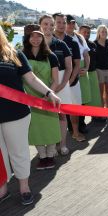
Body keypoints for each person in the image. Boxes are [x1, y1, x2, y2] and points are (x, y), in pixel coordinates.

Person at [0, 25, 60, 205]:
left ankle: (24, 187)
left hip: (16, 114)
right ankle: (2, 188)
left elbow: (31, 78)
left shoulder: (14, 54)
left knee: (18, 152)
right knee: (0, 155)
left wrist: (50, 93)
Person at [23, 24, 61, 170]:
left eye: (39, 35)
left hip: (49, 97)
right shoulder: (22, 56)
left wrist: (49, 95)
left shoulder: (51, 56)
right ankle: (42, 156)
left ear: (43, 37)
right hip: (30, 99)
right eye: (32, 35)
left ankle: (50, 155)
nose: (36, 39)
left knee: (50, 126)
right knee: (36, 128)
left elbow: (56, 80)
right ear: (27, 38)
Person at [39, 14, 73, 153]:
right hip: (40, 83)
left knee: (61, 115)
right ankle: (47, 146)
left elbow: (69, 67)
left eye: (51, 24)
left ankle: (62, 145)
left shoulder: (61, 44)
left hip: (61, 84)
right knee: (44, 116)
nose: (49, 27)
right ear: (40, 25)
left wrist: (63, 84)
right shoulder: (34, 43)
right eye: (45, 24)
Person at [53, 13, 86, 142]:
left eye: (64, 23)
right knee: (56, 111)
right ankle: (57, 139)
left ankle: (75, 133)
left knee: (75, 109)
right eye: (59, 22)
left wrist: (70, 80)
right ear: (54, 23)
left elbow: (77, 64)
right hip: (54, 83)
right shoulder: (48, 40)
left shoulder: (72, 41)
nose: (61, 25)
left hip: (72, 81)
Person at [66, 15, 91, 133]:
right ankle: (71, 127)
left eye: (72, 23)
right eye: (68, 23)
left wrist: (86, 67)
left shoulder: (80, 37)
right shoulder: (62, 38)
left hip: (82, 70)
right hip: (69, 69)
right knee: (70, 100)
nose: (71, 25)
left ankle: (82, 123)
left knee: (83, 99)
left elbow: (86, 54)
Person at [79, 25, 102, 122]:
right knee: (83, 98)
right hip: (81, 75)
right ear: (79, 32)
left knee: (95, 97)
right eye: (84, 32)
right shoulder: (76, 43)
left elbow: (97, 60)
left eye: (88, 32)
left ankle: (96, 115)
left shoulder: (93, 44)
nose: (87, 34)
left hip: (92, 73)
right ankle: (82, 121)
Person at [94, 25, 108, 108]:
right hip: (99, 71)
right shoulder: (94, 44)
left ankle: (107, 109)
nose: (104, 33)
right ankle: (102, 111)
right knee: (100, 92)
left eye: (105, 32)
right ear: (98, 32)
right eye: (102, 31)